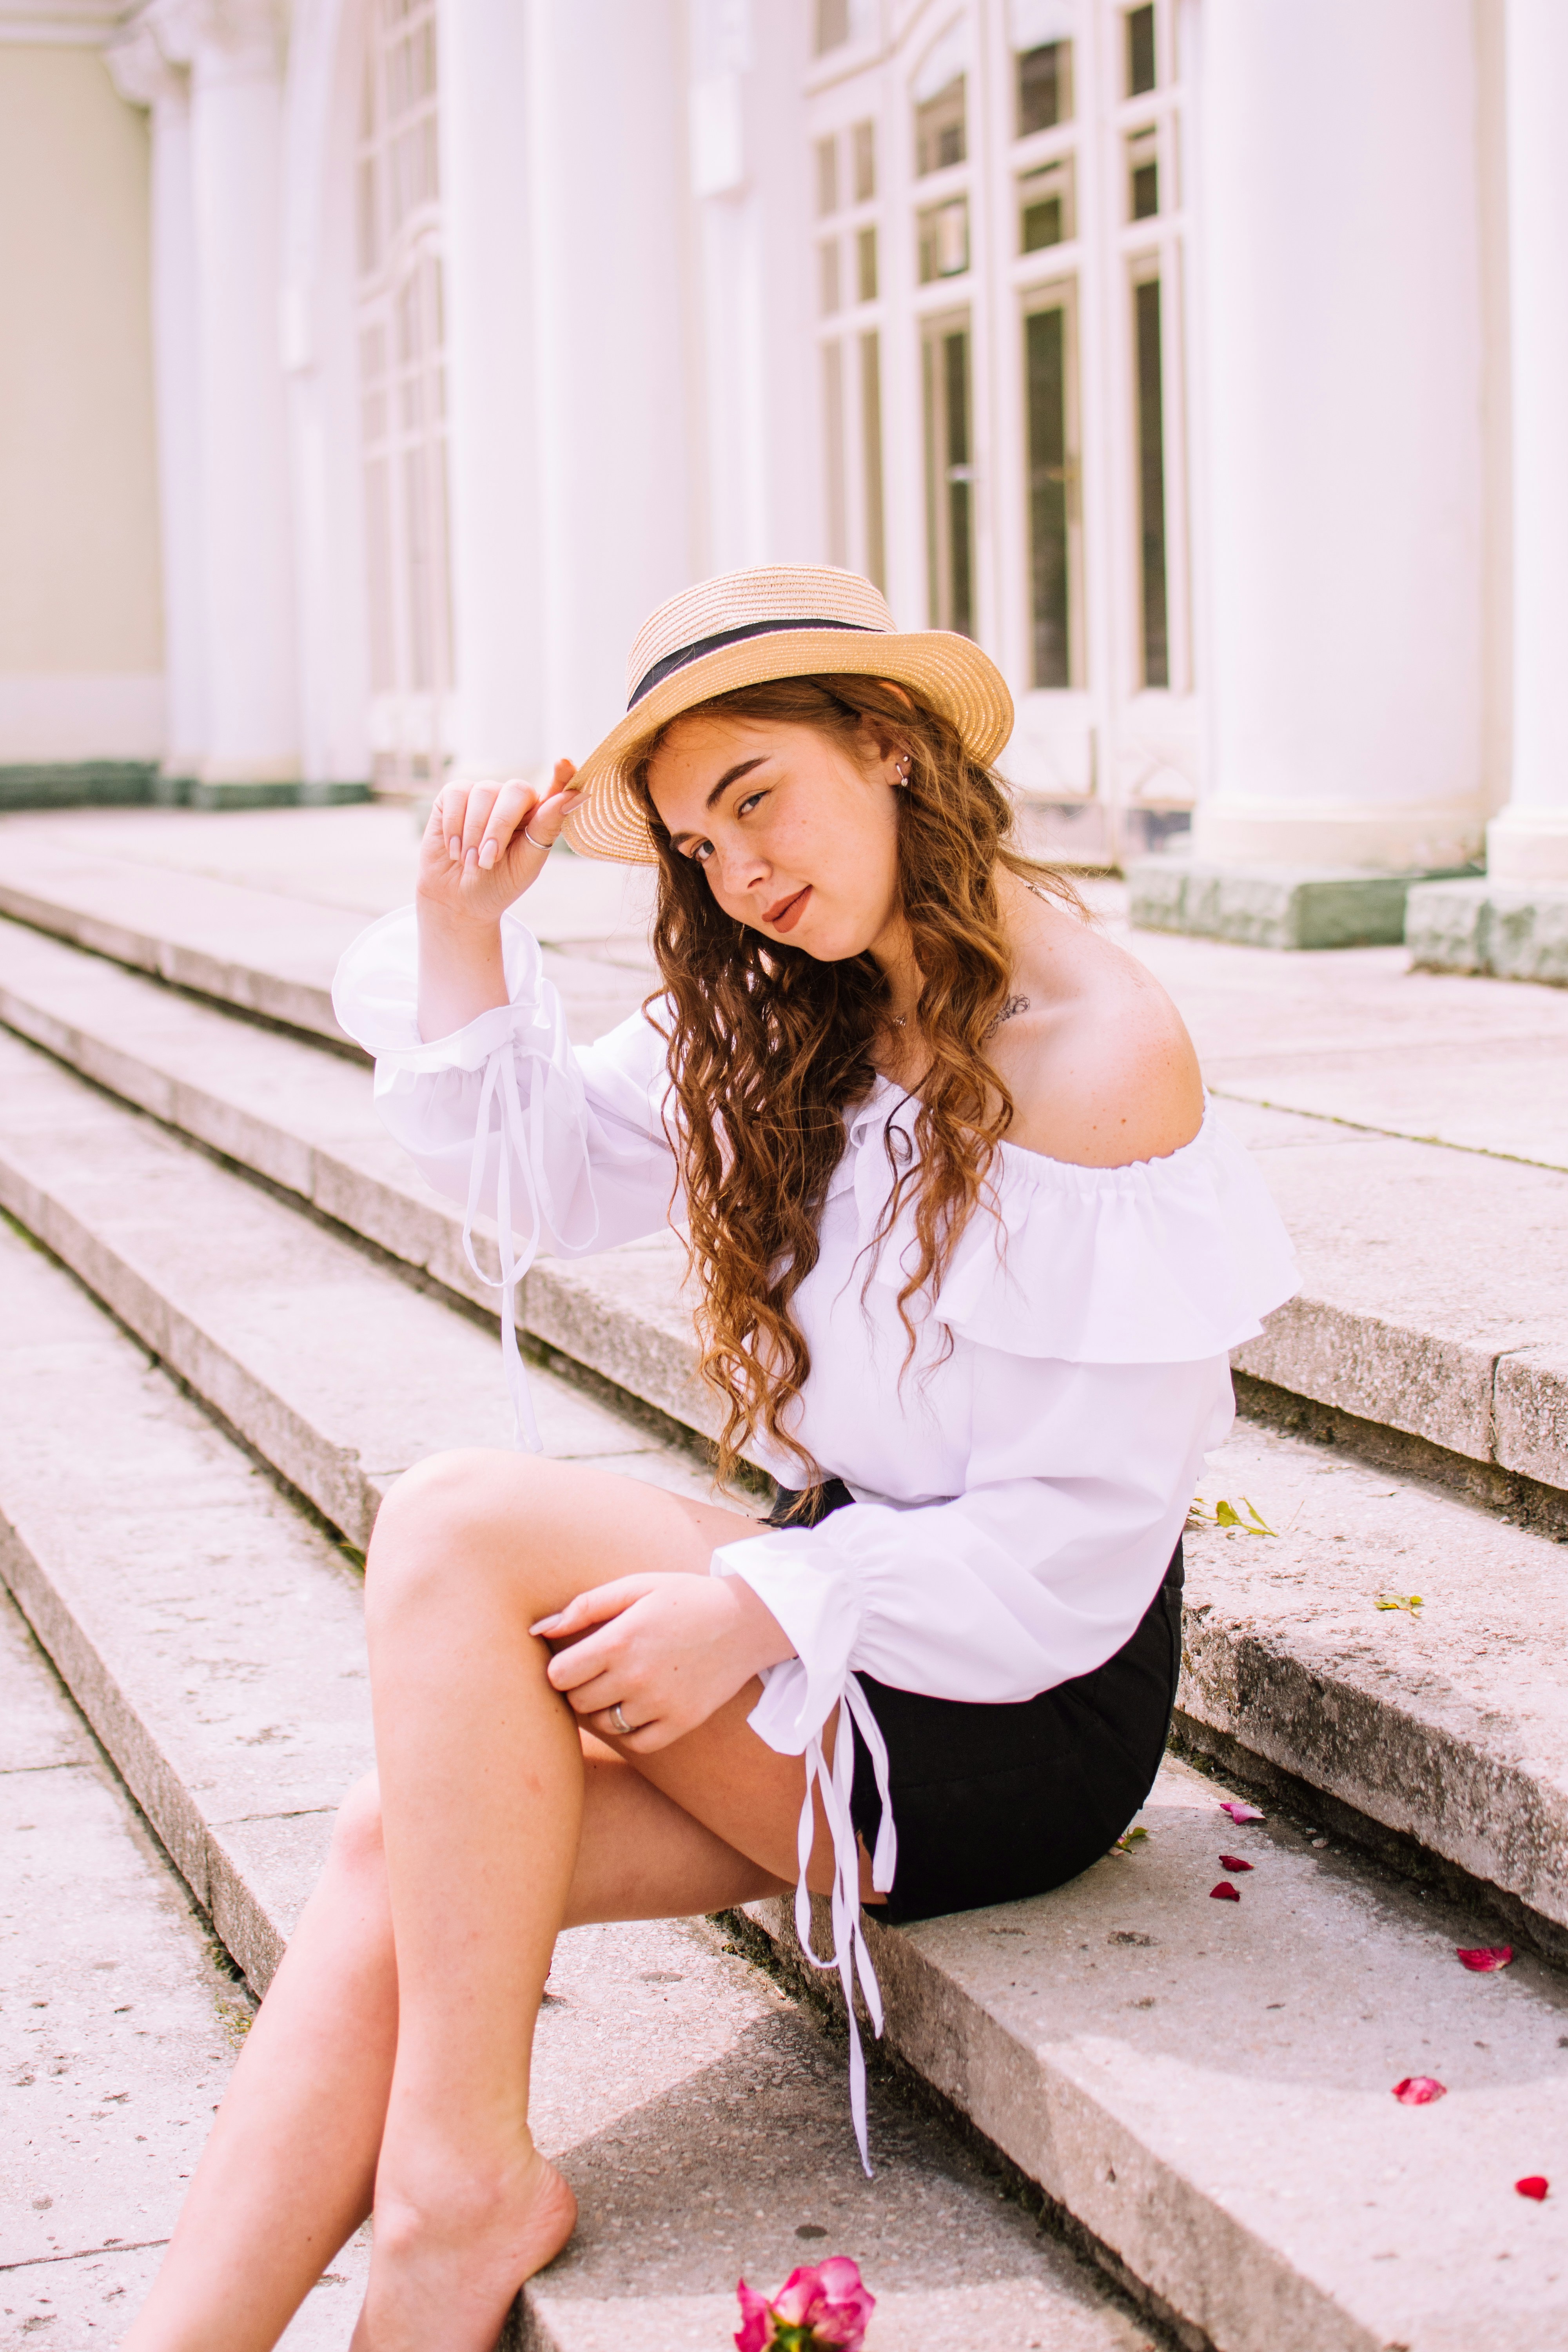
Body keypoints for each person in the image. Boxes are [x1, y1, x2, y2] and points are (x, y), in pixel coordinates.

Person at [122, 566, 1296, 2352]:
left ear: (889, 747)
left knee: (454, 1520)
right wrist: (462, 925)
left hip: (1013, 1706)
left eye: (759, 796)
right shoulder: (788, 996)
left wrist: (756, 1600)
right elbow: (540, 1182)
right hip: (850, 1610)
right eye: (694, 841)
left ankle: (452, 2193)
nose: (737, 871)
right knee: (390, 1839)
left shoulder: (1097, 1061)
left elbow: (1070, 1550)